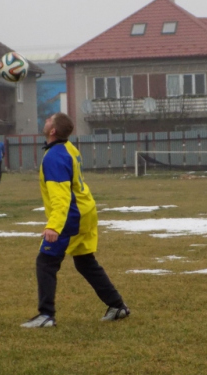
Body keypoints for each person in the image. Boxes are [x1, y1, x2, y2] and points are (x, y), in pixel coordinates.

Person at [22, 113, 130, 328]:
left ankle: (46, 316)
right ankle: (117, 306)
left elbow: (62, 197)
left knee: (46, 261)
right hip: (85, 211)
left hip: (72, 215)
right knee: (85, 262)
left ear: (53, 131)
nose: (45, 121)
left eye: (48, 120)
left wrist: (53, 226)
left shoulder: (54, 156)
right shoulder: (68, 148)